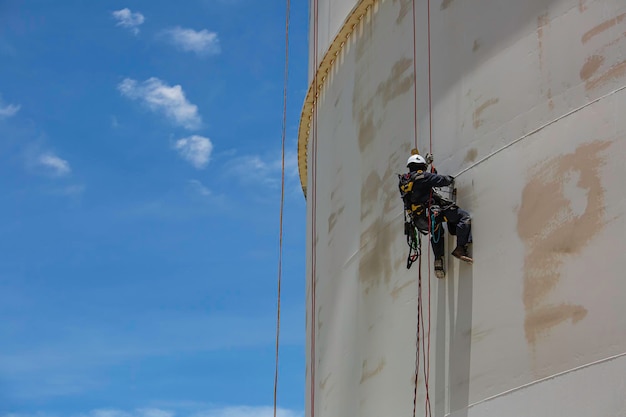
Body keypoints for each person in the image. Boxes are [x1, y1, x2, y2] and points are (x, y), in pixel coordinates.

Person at [400, 153, 473, 278]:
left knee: (436, 230)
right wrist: (448, 179)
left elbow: (418, 185)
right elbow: (443, 181)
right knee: (463, 217)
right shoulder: (424, 177)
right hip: (433, 214)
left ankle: (438, 260)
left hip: (420, 219)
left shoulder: (403, 182)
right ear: (422, 166)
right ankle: (460, 248)